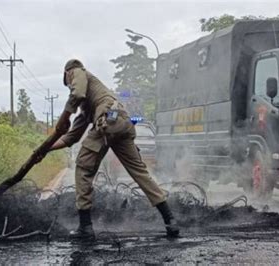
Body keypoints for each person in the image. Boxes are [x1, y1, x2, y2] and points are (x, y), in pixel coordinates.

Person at [42, 59, 179, 239]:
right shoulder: (89, 106)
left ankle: (85, 227)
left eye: (69, 83)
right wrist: (45, 149)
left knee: (83, 168)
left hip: (107, 121)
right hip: (121, 123)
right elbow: (71, 137)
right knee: (140, 173)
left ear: (68, 73)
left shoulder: (78, 70)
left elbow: (78, 93)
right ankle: (170, 220)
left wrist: (65, 116)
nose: (70, 86)